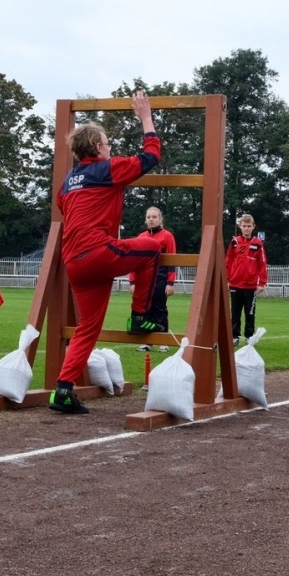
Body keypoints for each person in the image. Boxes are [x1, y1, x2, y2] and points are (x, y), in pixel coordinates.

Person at [49, 90, 165, 414]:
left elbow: (63, 206)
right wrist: (145, 117)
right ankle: (140, 316)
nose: (110, 145)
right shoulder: (107, 169)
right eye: (107, 141)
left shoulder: (68, 180)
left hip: (74, 262)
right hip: (97, 253)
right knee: (153, 248)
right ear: (98, 148)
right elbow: (151, 156)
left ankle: (62, 390)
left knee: (88, 328)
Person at [127, 206, 177, 336]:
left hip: (161, 277)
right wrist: (132, 281)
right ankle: (148, 340)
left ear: (160, 219)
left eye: (154, 217)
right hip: (143, 279)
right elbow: (134, 262)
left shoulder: (167, 236)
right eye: (148, 217)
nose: (151, 220)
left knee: (159, 307)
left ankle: (163, 339)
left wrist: (170, 283)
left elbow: (173, 260)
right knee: (144, 308)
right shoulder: (141, 237)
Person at [225, 213, 267, 346]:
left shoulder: (257, 243)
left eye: (249, 226)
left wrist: (262, 283)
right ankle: (234, 336)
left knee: (250, 313)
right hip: (235, 284)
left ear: (253, 227)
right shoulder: (234, 242)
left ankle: (249, 337)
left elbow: (262, 263)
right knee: (235, 313)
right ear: (240, 226)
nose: (247, 229)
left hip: (251, 286)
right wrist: (227, 280)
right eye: (244, 226)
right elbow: (228, 262)